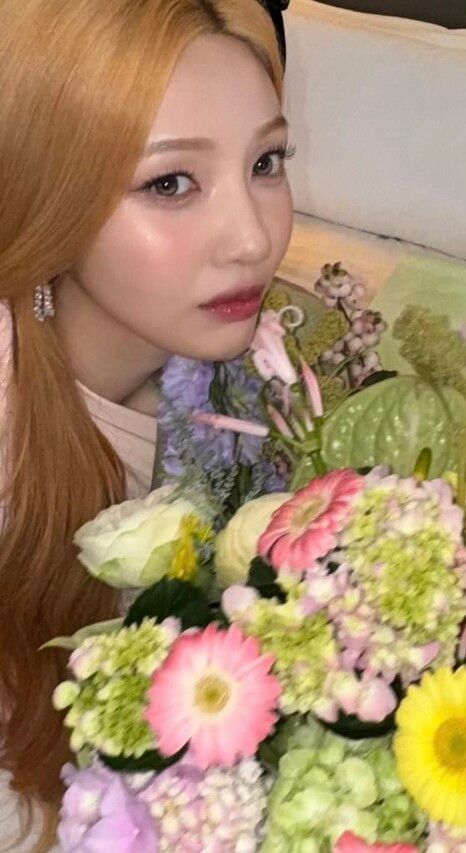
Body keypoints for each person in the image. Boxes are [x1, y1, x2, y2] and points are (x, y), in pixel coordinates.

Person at [0, 0, 293, 848]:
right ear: (48, 196)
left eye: (267, 162)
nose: (253, 239)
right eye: (170, 183)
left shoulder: (254, 386)